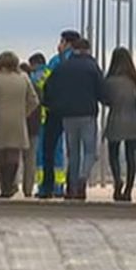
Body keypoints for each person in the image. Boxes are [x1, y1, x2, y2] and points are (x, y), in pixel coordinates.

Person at [42, 37, 103, 201]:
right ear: (88, 50)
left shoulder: (63, 67)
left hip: (67, 115)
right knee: (90, 151)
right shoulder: (92, 67)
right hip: (87, 114)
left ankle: (73, 186)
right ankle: (83, 179)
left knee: (73, 153)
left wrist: (52, 104)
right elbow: (101, 91)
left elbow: (48, 88)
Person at [0, 51, 39, 198]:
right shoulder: (24, 78)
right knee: (14, 155)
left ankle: (5, 186)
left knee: (1, 154)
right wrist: (24, 113)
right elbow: (34, 100)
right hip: (18, 121)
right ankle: (9, 184)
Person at [34, 30, 80, 199]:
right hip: (75, 112)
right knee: (71, 150)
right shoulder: (81, 61)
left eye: (61, 41)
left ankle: (47, 186)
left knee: (49, 149)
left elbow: (42, 83)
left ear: (67, 43)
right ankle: (67, 186)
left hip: (54, 111)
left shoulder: (56, 61)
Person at [101, 47, 136, 202]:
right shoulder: (135, 81)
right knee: (131, 156)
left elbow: (104, 100)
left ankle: (118, 180)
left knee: (113, 153)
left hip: (115, 119)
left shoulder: (109, 81)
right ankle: (129, 189)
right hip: (133, 121)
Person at [22, 52, 48, 196]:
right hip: (37, 124)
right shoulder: (49, 74)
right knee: (32, 158)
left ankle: (10, 186)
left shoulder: (30, 81)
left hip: (22, 124)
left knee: (17, 156)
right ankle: (29, 188)